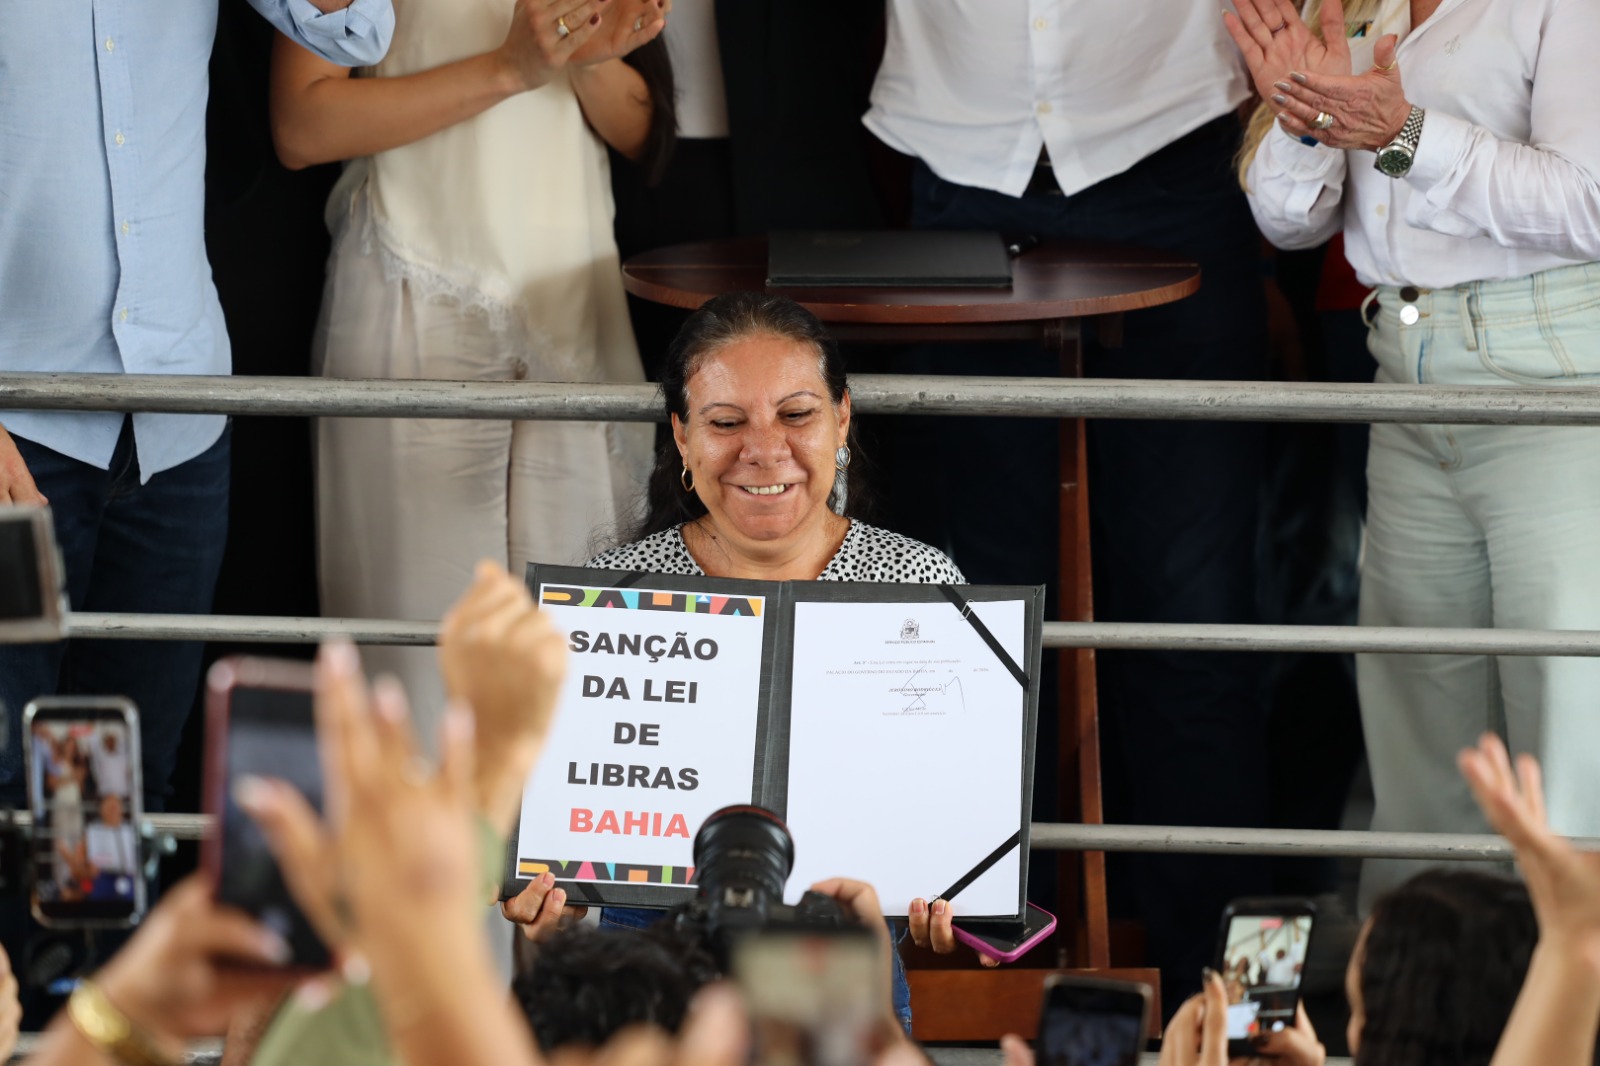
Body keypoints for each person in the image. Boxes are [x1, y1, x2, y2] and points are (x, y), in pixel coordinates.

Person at [865, 0, 1271, 1009]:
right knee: (982, 616)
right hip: (958, 153)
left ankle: (1245, 1000)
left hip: (1175, 140)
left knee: (1200, 620)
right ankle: (983, 990)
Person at [502, 291, 983, 1030]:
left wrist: (955, 885)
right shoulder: (610, 598)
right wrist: (546, 902)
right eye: (727, 423)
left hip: (839, 972)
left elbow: (953, 811)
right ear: (683, 439)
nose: (765, 449)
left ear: (841, 421)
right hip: (651, 974)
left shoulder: (922, 586)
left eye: (797, 415)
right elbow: (558, 822)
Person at [1229, 0, 1600, 911]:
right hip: (1403, 373)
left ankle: (1560, 1031)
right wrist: (1303, 120)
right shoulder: (1359, 7)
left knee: (1567, 745)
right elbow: (1287, 223)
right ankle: (1426, 1020)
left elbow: (1589, 202)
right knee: (1420, 755)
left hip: (1550, 383)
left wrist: (1404, 134)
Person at [0, 0, 393, 819]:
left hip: (175, 420)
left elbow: (353, 26)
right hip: (18, 422)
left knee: (126, 794)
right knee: (4, 781)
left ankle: (97, 957)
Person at [268, 0, 671, 741]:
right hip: (413, 283)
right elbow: (302, 123)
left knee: (583, 680)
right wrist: (506, 68)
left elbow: (645, 125)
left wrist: (581, 54)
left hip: (568, 298)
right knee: (420, 683)